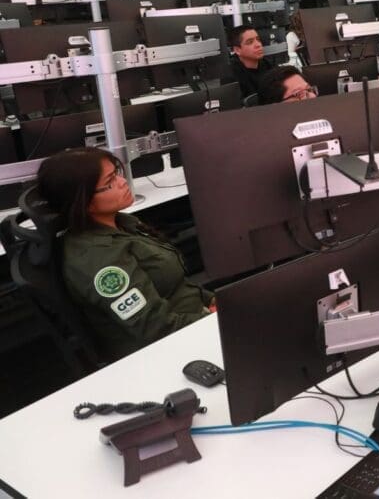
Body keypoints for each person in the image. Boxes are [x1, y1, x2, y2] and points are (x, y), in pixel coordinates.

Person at [36, 147, 214, 361]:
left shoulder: (121, 223)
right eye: (110, 181)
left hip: (195, 319)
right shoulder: (99, 259)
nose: (123, 182)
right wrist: (215, 318)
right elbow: (156, 329)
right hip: (168, 351)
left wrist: (213, 301)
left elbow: (177, 287)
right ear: (83, 200)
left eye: (117, 174)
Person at [228, 25, 273, 98]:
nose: (258, 45)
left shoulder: (266, 63)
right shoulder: (231, 74)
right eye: (250, 42)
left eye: (258, 39)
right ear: (237, 50)